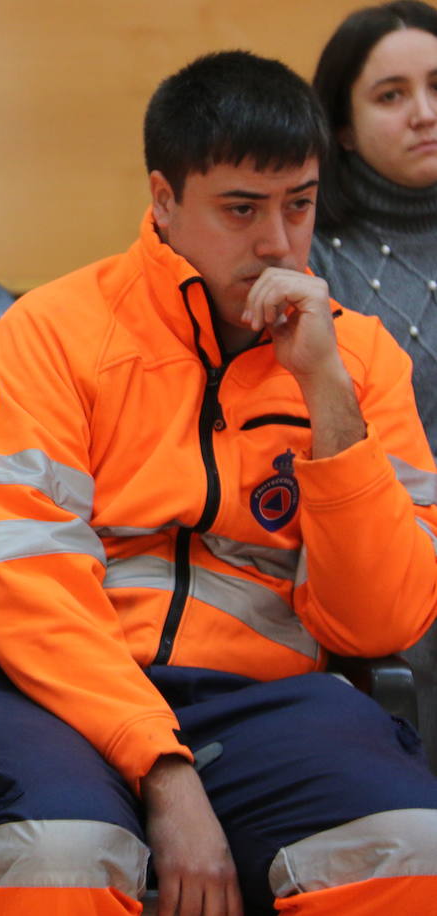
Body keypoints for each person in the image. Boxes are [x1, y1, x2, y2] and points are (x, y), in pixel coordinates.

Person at [0, 51, 437, 915]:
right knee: (59, 860)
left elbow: (380, 620)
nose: (276, 242)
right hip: (38, 689)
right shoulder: (52, 332)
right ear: (164, 200)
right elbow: (28, 585)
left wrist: (328, 400)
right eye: (240, 209)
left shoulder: (357, 360)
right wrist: (164, 769)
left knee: (413, 850)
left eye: (298, 206)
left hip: (261, 700)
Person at [310, 0, 437, 772]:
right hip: (391, 548)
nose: (425, 113)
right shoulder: (314, 253)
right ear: (345, 129)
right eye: (392, 95)